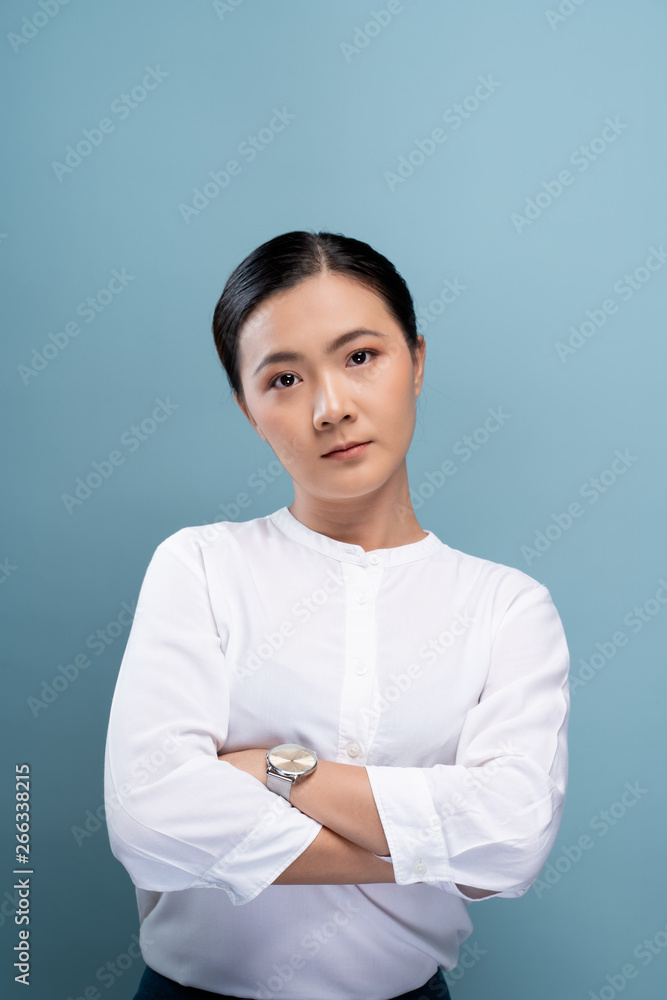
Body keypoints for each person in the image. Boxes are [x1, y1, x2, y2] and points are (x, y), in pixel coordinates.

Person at [103, 230, 570, 1000]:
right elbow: (150, 821)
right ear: (248, 409)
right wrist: (426, 848)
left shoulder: (505, 607)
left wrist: (277, 771)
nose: (330, 408)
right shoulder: (201, 566)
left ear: (415, 361)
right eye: (283, 378)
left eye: (360, 357)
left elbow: (513, 835)